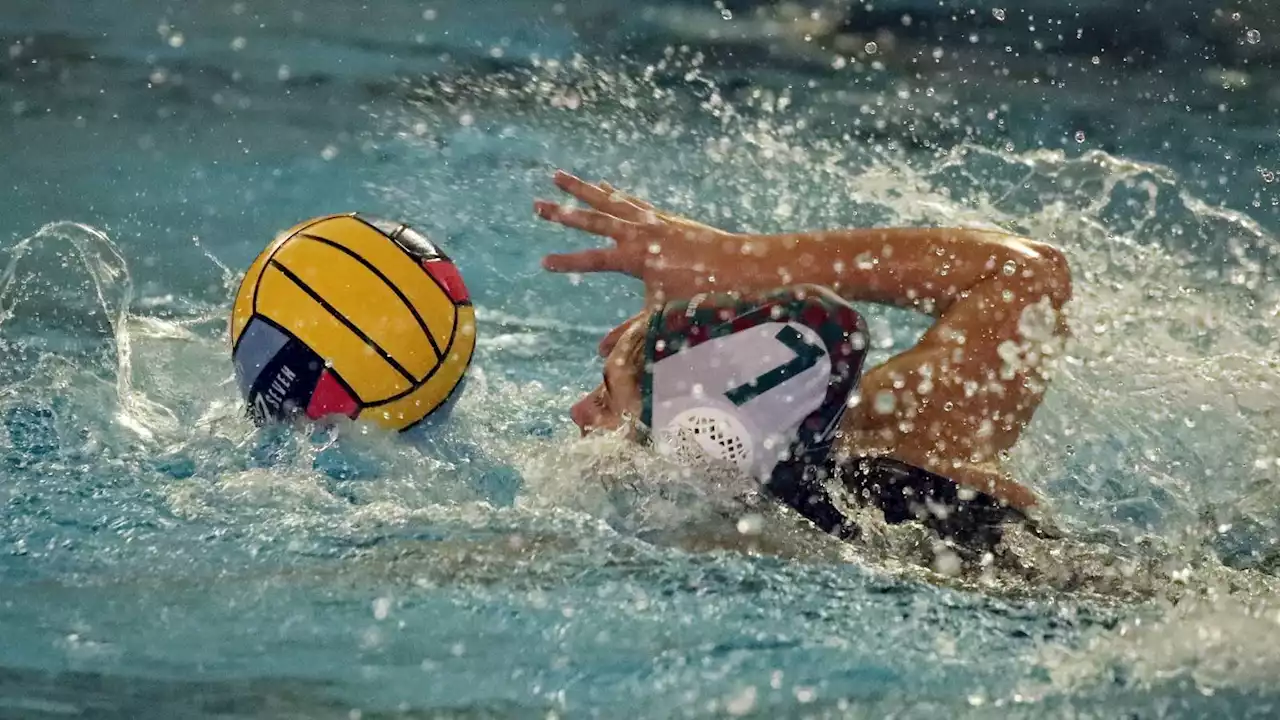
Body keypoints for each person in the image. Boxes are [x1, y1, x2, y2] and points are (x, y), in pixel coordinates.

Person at [532, 170, 1073, 553]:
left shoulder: (739, 547)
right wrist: (735, 262)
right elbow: (1025, 276)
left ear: (699, 437)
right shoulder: (912, 437)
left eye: (607, 400)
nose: (579, 413)